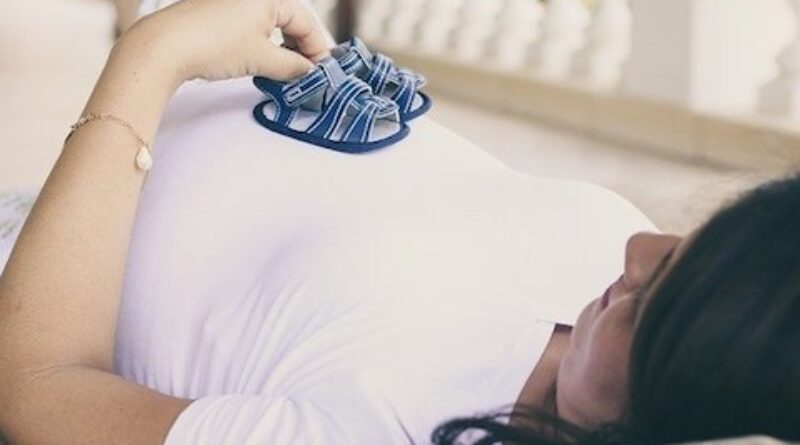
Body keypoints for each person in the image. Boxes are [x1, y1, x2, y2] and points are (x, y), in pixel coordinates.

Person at [0, 1, 798, 445]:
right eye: (689, 249)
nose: (638, 246)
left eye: (659, 294)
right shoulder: (603, 287)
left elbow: (34, 390)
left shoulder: (386, 429)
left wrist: (155, 53)